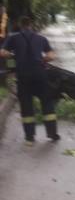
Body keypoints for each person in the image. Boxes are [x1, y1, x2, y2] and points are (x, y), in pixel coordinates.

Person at [0, 16, 58, 144]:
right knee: (47, 102)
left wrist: (13, 56)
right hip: (39, 74)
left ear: (20, 25)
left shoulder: (13, 38)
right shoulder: (41, 38)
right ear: (31, 25)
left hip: (23, 75)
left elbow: (2, 53)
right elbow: (51, 56)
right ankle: (52, 134)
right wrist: (43, 60)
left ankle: (30, 137)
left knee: (26, 105)